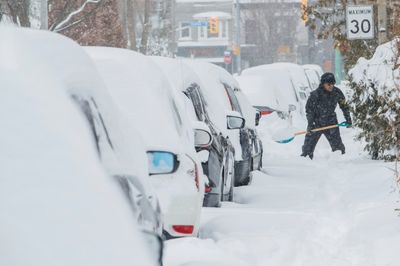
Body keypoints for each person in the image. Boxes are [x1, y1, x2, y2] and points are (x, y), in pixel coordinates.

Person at [301, 73, 352, 159]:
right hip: (316, 122)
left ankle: (340, 165)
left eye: (333, 84)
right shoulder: (315, 94)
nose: (331, 86)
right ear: (323, 83)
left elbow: (344, 106)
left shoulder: (337, 92)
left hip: (331, 122)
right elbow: (309, 110)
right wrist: (310, 124)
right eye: (329, 84)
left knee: (338, 149)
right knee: (307, 150)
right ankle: (305, 165)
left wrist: (348, 119)